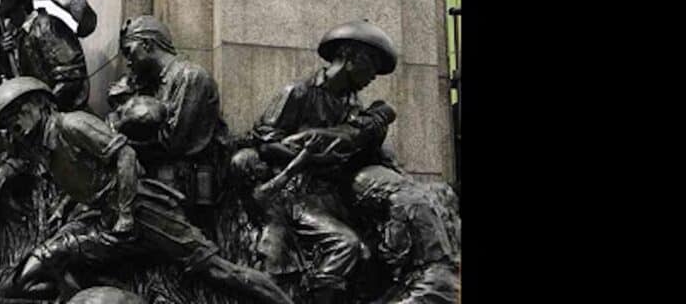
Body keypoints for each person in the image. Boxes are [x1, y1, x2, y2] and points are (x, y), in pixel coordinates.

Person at [0, 77, 294, 304]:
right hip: (100, 215)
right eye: (6, 119)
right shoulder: (41, 145)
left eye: (18, 111)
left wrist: (124, 215)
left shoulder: (72, 124)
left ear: (41, 105)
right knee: (43, 263)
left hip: (141, 209)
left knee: (216, 270)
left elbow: (126, 156)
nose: (13, 122)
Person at [247, 20, 400, 303]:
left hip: (333, 197)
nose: (374, 76)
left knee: (372, 254)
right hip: (295, 194)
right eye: (372, 65)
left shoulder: (354, 107)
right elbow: (265, 143)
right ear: (350, 56)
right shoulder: (298, 92)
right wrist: (309, 156)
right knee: (345, 245)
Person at [110, 16, 228, 210]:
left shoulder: (190, 77)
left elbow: (173, 141)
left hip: (185, 192)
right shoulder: (153, 84)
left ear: (147, 45)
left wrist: (119, 140)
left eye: (129, 51)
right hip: (161, 185)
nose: (128, 62)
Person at [349, 166, 461, 304]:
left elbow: (396, 253)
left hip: (431, 281)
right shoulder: (434, 193)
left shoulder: (398, 203)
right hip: (452, 273)